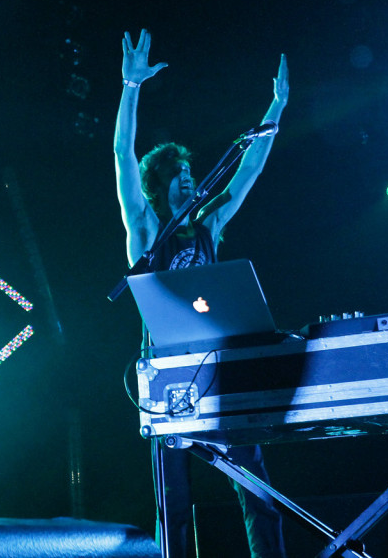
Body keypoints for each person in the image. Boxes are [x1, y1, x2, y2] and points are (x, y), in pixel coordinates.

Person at [113, 29, 288, 558]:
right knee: (176, 501)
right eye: (179, 175)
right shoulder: (145, 233)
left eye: (191, 172)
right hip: (169, 380)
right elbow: (123, 152)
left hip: (221, 372)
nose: (189, 180)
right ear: (159, 185)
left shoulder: (210, 226)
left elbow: (248, 170)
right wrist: (130, 85)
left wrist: (276, 107)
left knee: (257, 489)